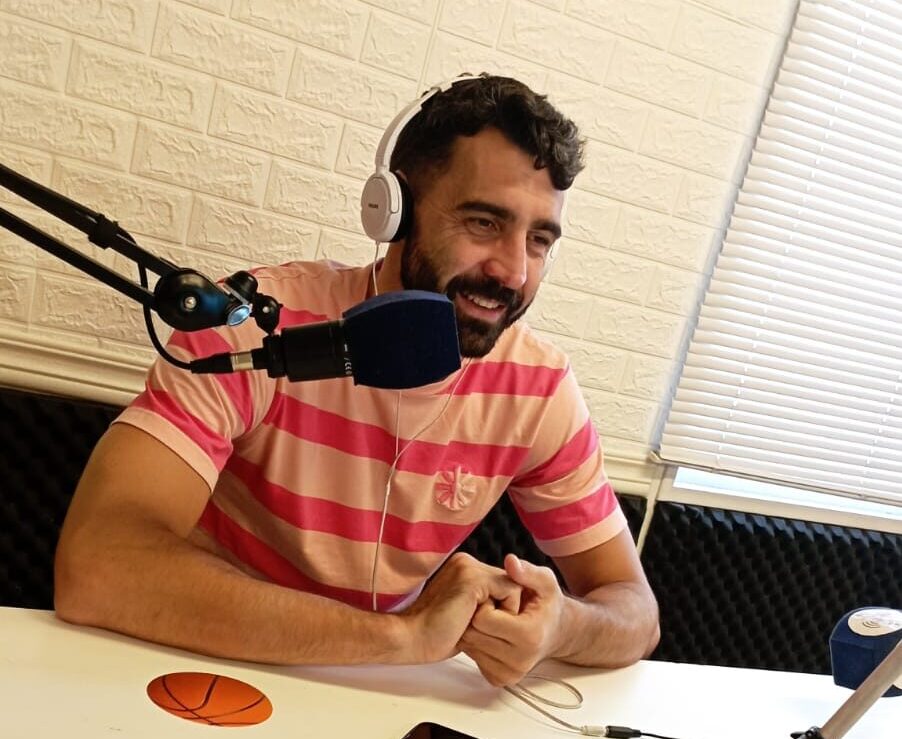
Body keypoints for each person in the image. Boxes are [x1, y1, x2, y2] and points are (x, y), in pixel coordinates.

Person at [54, 74, 660, 688]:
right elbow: (99, 565)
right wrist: (404, 637)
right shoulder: (253, 329)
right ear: (392, 211)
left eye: (539, 240)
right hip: (203, 671)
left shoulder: (540, 390)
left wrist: (560, 627)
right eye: (483, 222)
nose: (513, 270)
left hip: (374, 695)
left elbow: (635, 613)